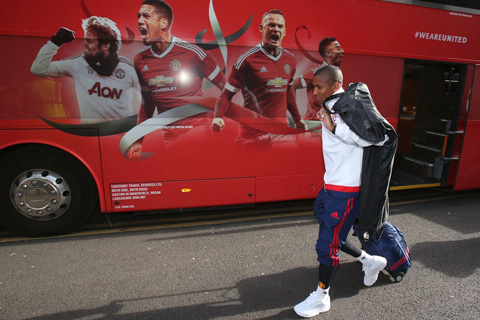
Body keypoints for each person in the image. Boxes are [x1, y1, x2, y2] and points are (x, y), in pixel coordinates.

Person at [293, 65, 387, 318]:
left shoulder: (348, 107)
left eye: (319, 87)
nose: (314, 92)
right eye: (313, 86)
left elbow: (375, 138)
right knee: (331, 231)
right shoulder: (333, 104)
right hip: (330, 186)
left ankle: (322, 296)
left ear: (335, 85)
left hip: (346, 190)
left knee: (327, 244)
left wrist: (336, 129)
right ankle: (370, 261)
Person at [126, 0, 225, 160]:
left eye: (146, 16)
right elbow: (147, 104)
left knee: (196, 173)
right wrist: (138, 140)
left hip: (197, 130)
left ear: (163, 22)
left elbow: (226, 88)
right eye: (138, 16)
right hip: (169, 135)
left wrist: (218, 115)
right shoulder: (140, 59)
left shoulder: (192, 53)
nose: (139, 21)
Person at [212, 9, 304, 146]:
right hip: (253, 135)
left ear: (284, 31)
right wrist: (217, 117)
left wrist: (297, 119)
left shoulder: (290, 60)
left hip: (281, 133)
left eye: (280, 26)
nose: (276, 29)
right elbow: (226, 94)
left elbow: (287, 90)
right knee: (248, 167)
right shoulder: (247, 61)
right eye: (271, 25)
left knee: (287, 166)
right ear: (261, 28)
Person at [31, 16, 141, 123]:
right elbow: (38, 69)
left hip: (122, 134)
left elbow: (149, 97)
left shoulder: (128, 68)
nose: (84, 45)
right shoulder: (78, 63)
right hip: (91, 136)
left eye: (89, 41)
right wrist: (55, 42)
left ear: (106, 45)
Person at [293, 37, 344, 120]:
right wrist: (295, 114)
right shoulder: (315, 74)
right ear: (328, 54)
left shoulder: (336, 74)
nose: (342, 51)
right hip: (315, 123)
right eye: (338, 48)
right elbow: (293, 85)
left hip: (331, 122)